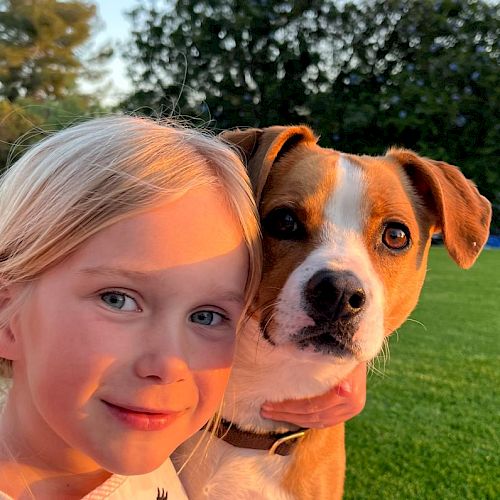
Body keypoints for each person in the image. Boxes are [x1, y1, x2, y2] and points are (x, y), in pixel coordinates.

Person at [0, 116, 365, 499]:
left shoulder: (163, 450)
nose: (169, 366)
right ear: (7, 314)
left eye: (206, 316)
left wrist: (336, 358)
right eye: (118, 299)